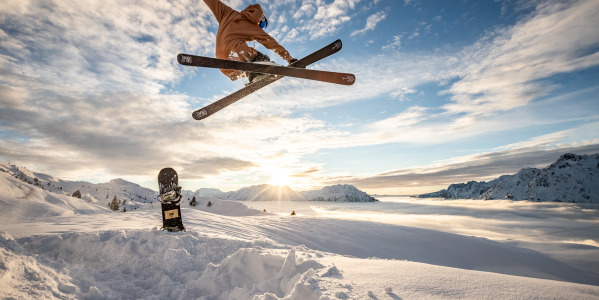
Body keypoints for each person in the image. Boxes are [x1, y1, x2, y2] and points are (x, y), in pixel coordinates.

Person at [202, 0, 298, 83]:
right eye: (262, 24)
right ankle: (259, 73)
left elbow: (213, 2)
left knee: (248, 64)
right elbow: (271, 43)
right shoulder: (253, 27)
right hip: (236, 53)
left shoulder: (227, 13)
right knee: (261, 57)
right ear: (261, 17)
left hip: (223, 66)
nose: (260, 27)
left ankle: (252, 74)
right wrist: (290, 59)